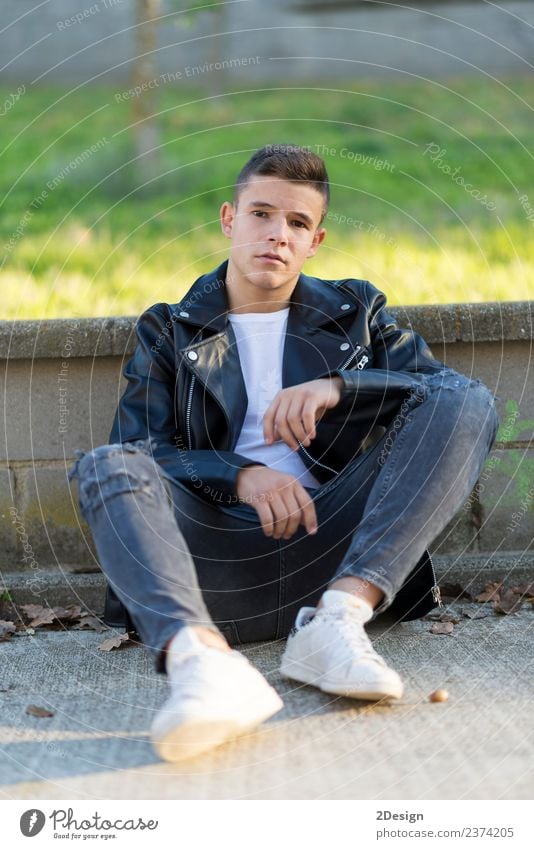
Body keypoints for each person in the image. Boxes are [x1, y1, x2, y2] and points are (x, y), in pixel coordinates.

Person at [68, 144, 498, 763]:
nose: (277, 235)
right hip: (211, 565)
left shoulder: (358, 312)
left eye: (297, 223)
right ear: (228, 218)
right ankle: (202, 666)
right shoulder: (167, 328)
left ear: (316, 240)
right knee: (106, 463)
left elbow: (442, 395)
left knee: (470, 400)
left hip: (337, 551)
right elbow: (142, 449)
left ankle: (338, 622)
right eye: (261, 214)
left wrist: (341, 387)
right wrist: (239, 474)